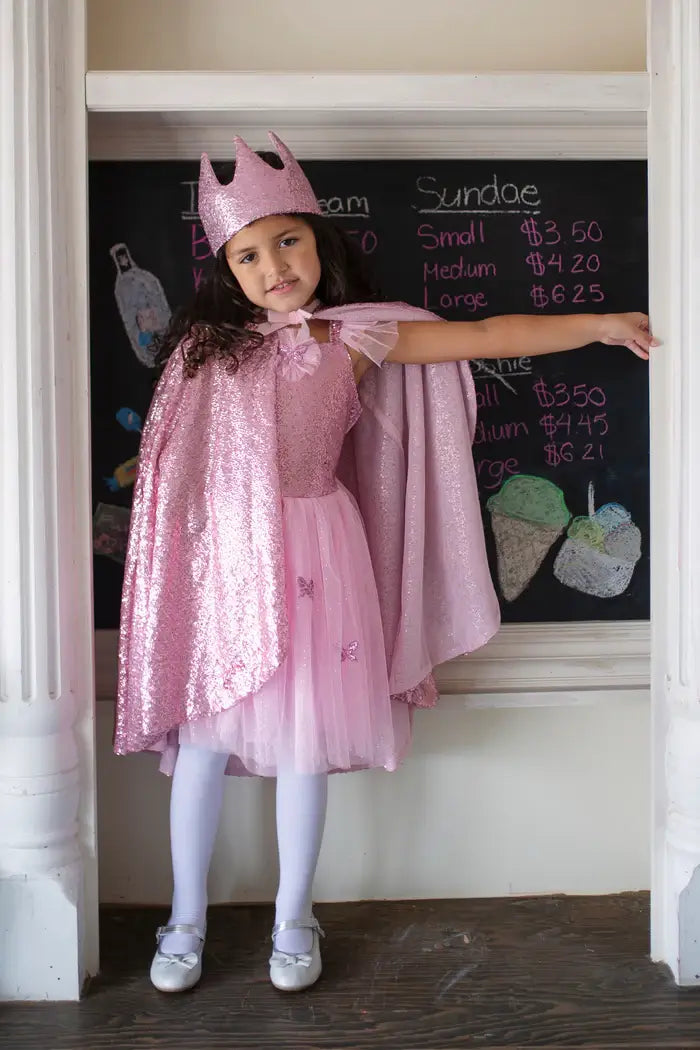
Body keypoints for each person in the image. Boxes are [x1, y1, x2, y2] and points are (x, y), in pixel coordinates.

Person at [113, 132, 655, 995]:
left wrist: (599, 324)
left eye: (288, 240)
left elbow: (484, 332)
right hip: (222, 567)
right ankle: (185, 917)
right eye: (249, 254)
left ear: (319, 244)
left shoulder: (358, 338)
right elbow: (174, 476)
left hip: (318, 554)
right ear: (227, 269)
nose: (274, 265)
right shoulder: (202, 353)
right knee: (207, 744)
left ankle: (295, 916)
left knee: (302, 744)